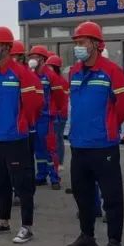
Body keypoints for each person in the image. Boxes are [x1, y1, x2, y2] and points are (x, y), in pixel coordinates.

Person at [63, 21, 124, 246]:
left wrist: (109, 126)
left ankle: (115, 242)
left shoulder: (112, 71)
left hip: (103, 145)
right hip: (79, 144)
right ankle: (87, 236)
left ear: (95, 44)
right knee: (82, 194)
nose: (78, 46)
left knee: (111, 196)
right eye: (76, 42)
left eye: (81, 42)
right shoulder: (74, 72)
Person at [0, 26, 43, 242]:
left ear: (7, 47)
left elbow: (35, 103)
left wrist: (22, 123)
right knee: (1, 183)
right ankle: (3, 221)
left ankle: (27, 226)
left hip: (16, 137)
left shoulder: (21, 73)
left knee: (22, 185)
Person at [29, 45, 61, 190]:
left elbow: (59, 96)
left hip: (46, 118)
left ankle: (54, 178)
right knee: (38, 149)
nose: (31, 59)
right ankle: (41, 176)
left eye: (34, 56)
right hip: (33, 118)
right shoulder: (29, 73)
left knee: (49, 148)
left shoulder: (50, 75)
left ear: (42, 59)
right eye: (30, 57)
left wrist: (52, 112)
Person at [45, 54, 69, 191]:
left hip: (59, 114)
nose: (48, 69)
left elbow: (62, 99)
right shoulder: (51, 79)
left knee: (57, 139)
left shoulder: (61, 81)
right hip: (54, 113)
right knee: (54, 140)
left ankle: (59, 162)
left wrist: (59, 112)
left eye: (50, 66)